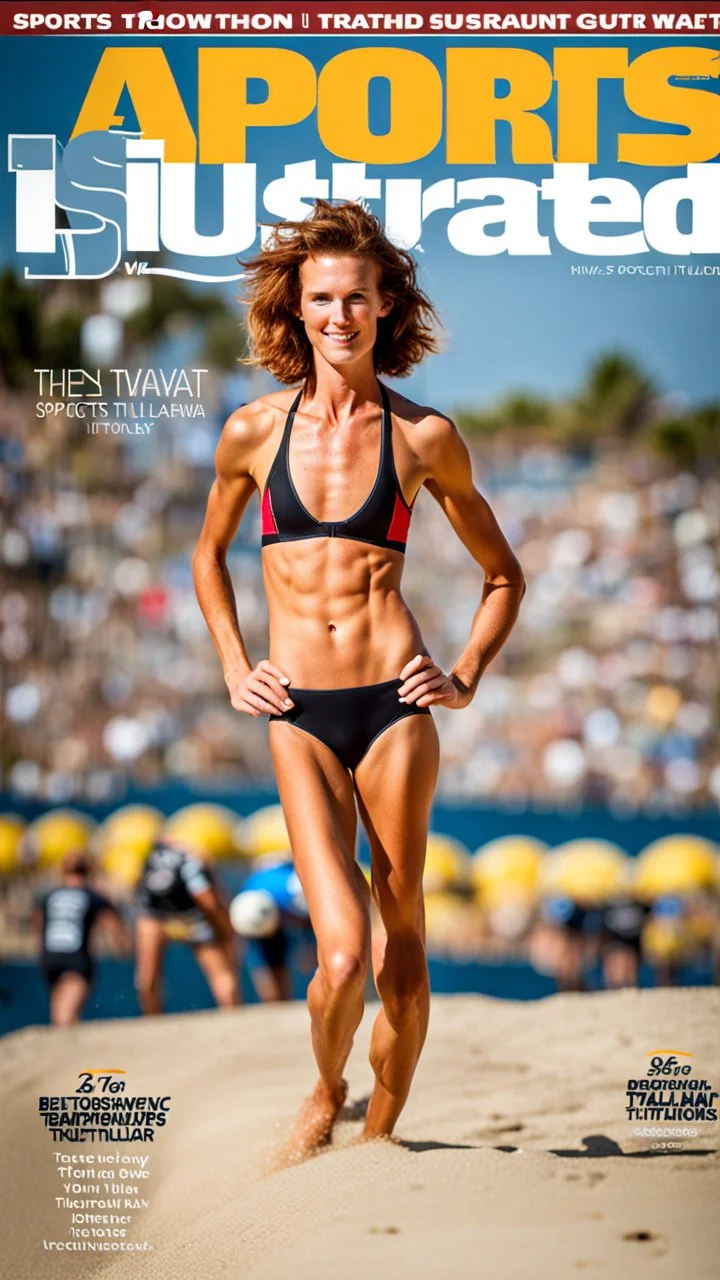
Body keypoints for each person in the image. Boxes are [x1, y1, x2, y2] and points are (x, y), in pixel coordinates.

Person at [193, 200, 525, 1155]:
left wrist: (462, 674)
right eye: (322, 299)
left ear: (387, 307)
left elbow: (504, 576)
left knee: (403, 945)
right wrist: (233, 665)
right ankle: (328, 1087)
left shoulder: (425, 438)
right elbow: (208, 557)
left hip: (394, 705)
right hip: (295, 709)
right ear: (296, 310)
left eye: (358, 298)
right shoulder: (252, 432)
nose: (340, 315)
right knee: (339, 957)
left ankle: (379, 1145)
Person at [135, 837, 239, 1014]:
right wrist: (225, 927)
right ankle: (233, 1015)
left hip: (157, 918)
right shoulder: (192, 860)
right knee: (221, 974)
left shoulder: (151, 858)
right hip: (190, 918)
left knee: (147, 977)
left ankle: (151, 1019)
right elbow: (206, 898)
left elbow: (140, 892)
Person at [34, 852, 131, 1027]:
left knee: (58, 1015)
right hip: (76, 957)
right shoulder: (92, 896)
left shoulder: (49, 896)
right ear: (89, 872)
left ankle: (62, 1049)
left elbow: (39, 925)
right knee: (67, 1017)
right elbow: (112, 925)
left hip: (49, 957)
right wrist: (124, 950)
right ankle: (70, 1049)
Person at [232, 859, 315, 1002]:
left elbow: (312, 920)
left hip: (294, 903)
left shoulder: (295, 890)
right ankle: (276, 1004)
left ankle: (280, 1002)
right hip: (273, 911)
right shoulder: (248, 900)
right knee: (267, 963)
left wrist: (311, 945)